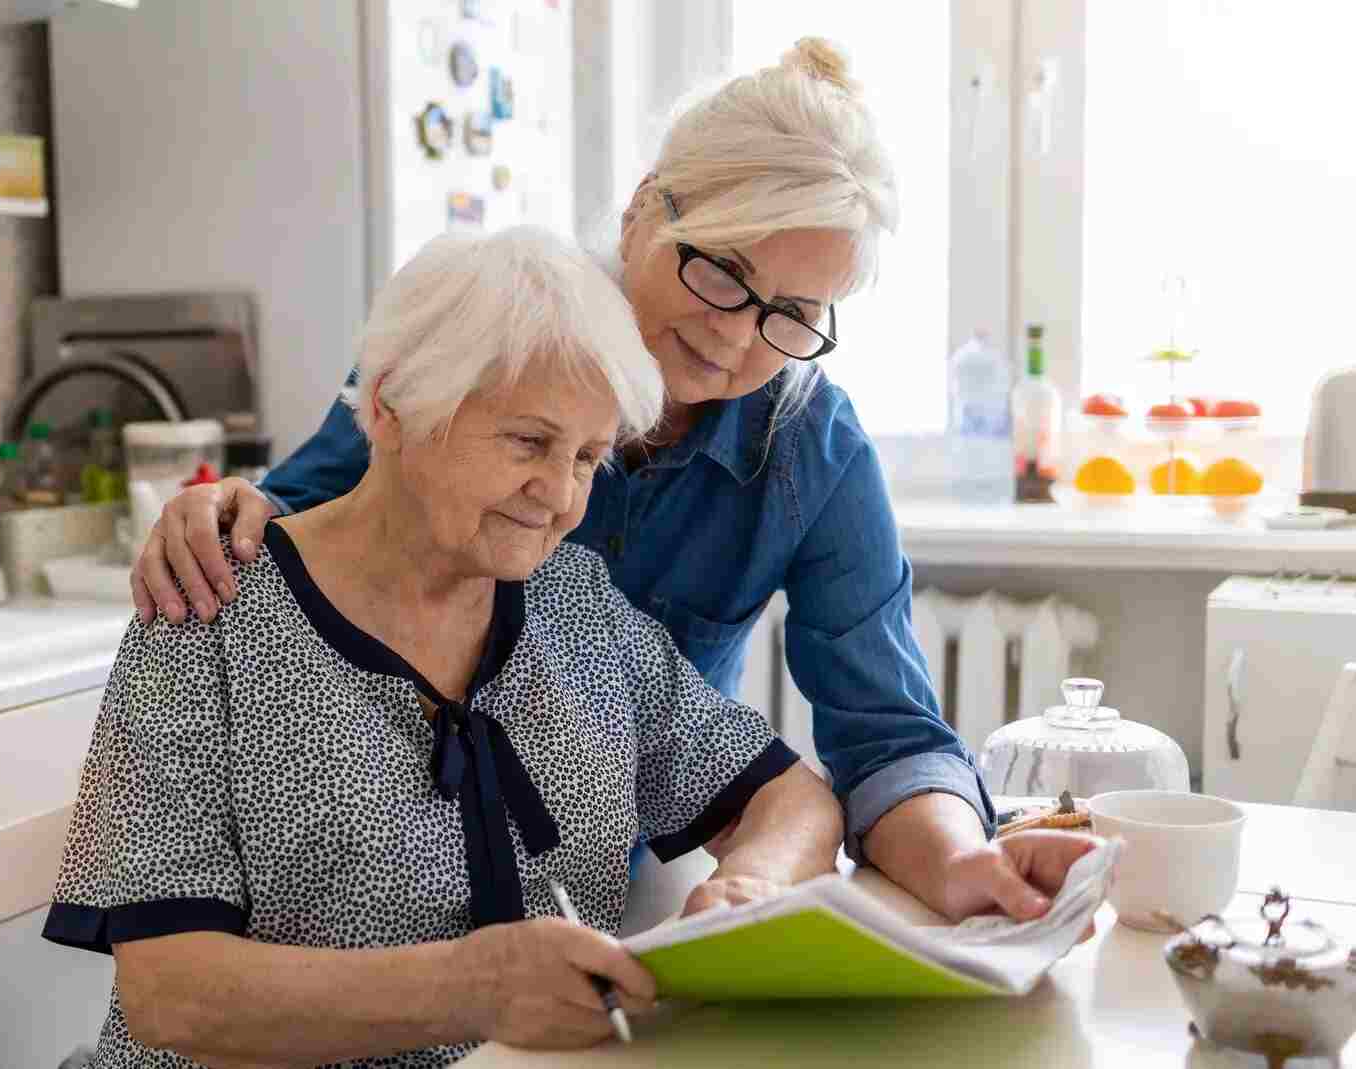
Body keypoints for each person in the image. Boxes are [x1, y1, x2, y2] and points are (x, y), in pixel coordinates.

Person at [127, 38, 1099, 924]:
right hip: (371, 889)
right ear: (643, 211)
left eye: (791, 312)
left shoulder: (812, 450)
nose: (734, 334)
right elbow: (299, 528)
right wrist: (219, 512)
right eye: (722, 271)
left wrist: (962, 860)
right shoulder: (485, 333)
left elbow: (885, 735)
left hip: (606, 887)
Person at [45, 225, 843, 1065]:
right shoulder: (210, 608)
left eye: (587, 457)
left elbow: (792, 798)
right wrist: (472, 987)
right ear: (393, 406)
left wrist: (749, 887)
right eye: (528, 441)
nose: (558, 494)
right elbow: (169, 991)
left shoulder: (577, 607)